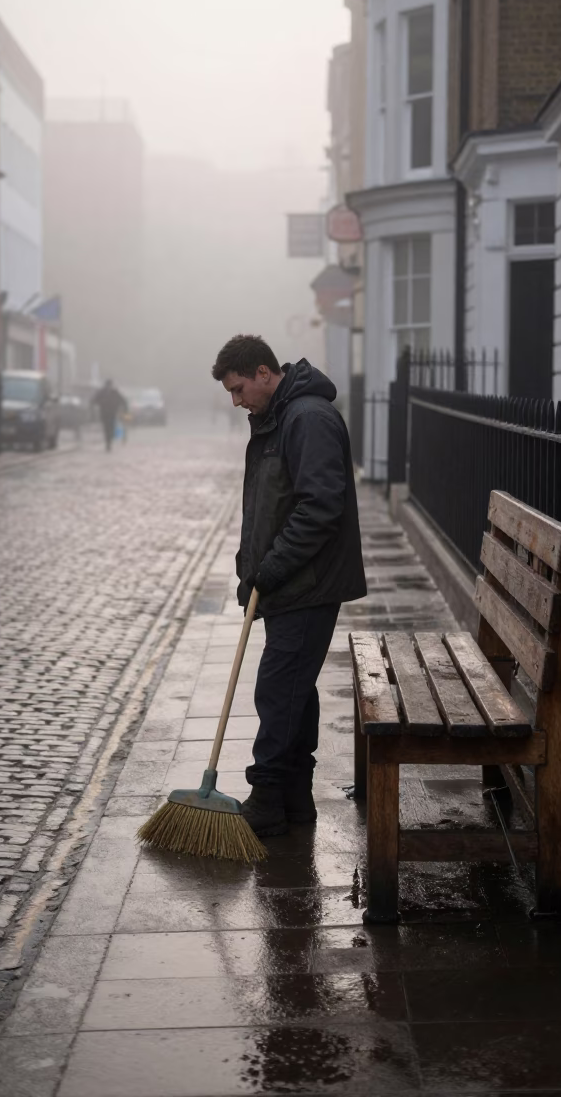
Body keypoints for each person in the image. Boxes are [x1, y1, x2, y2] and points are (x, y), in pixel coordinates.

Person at [212, 334, 367, 837]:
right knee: (295, 688)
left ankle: (267, 796)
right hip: (287, 581)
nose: (237, 401)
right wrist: (249, 568)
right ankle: (294, 801)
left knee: (278, 689)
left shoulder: (306, 419)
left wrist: (272, 567)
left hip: (308, 582)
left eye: (239, 389)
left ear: (263, 372)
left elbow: (319, 506)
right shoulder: (276, 419)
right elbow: (266, 505)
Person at [92, 379, 127, 452]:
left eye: (110, 385)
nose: (109, 387)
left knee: (111, 427)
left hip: (112, 413)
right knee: (106, 428)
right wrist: (100, 403)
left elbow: (122, 400)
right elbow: (94, 400)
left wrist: (125, 409)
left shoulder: (114, 392)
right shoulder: (101, 392)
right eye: (108, 385)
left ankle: (110, 440)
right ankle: (108, 443)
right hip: (104, 413)